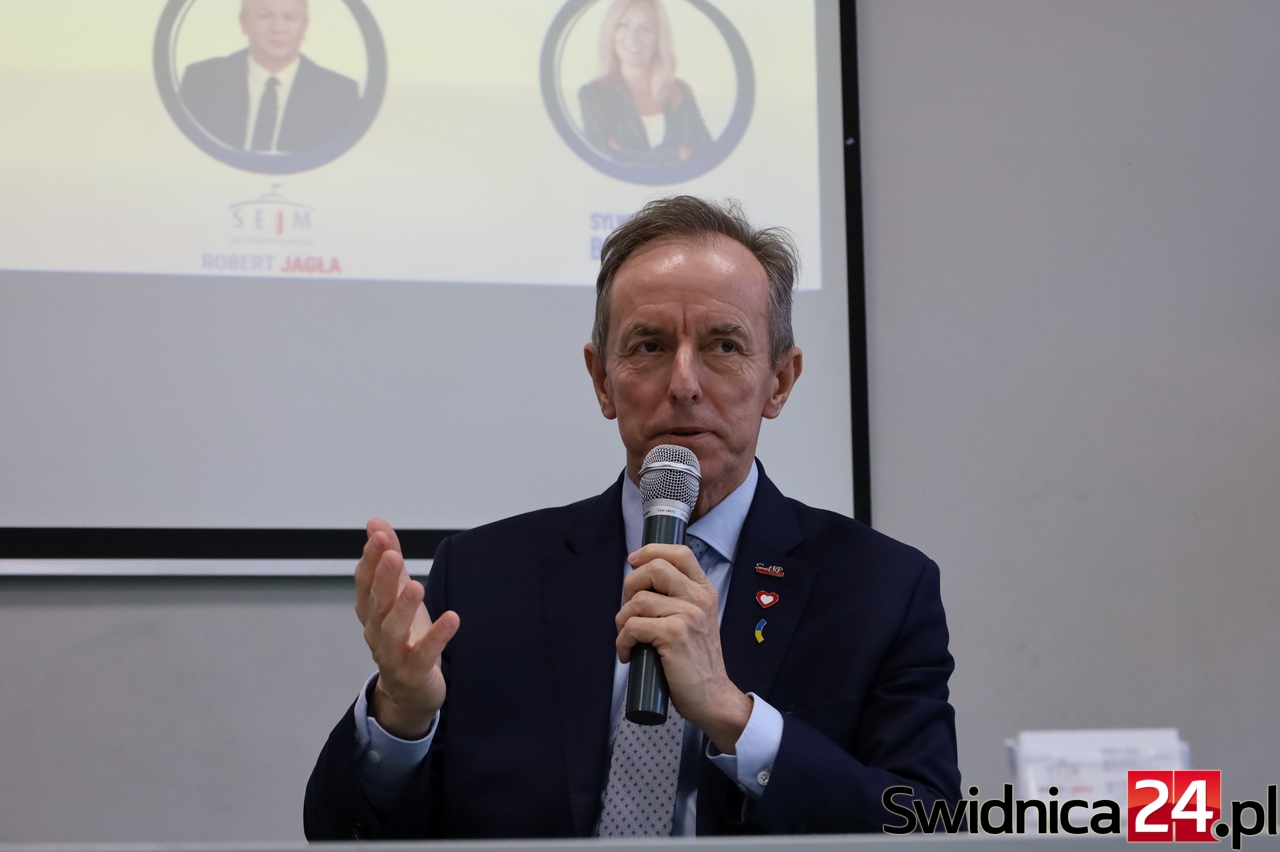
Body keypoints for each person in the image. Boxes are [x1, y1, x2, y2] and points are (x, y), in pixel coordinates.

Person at [303, 196, 960, 839]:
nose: (684, 384)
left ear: (780, 381)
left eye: (724, 345)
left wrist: (735, 716)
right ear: (602, 380)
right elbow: (339, 832)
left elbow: (928, 823)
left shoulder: (881, 589)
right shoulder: (480, 577)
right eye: (649, 345)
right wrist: (401, 715)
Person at [178, 0, 359, 154]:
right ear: (244, 22)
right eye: (265, 16)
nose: (278, 28)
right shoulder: (203, 80)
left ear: (305, 26)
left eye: (290, 18)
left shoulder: (339, 94)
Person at [578, 0, 713, 165]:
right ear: (611, 32)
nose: (633, 38)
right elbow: (604, 159)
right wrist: (676, 156)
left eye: (646, 28)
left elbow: (707, 153)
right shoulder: (594, 95)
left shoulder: (680, 92)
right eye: (623, 25)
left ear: (659, 37)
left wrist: (629, 155)